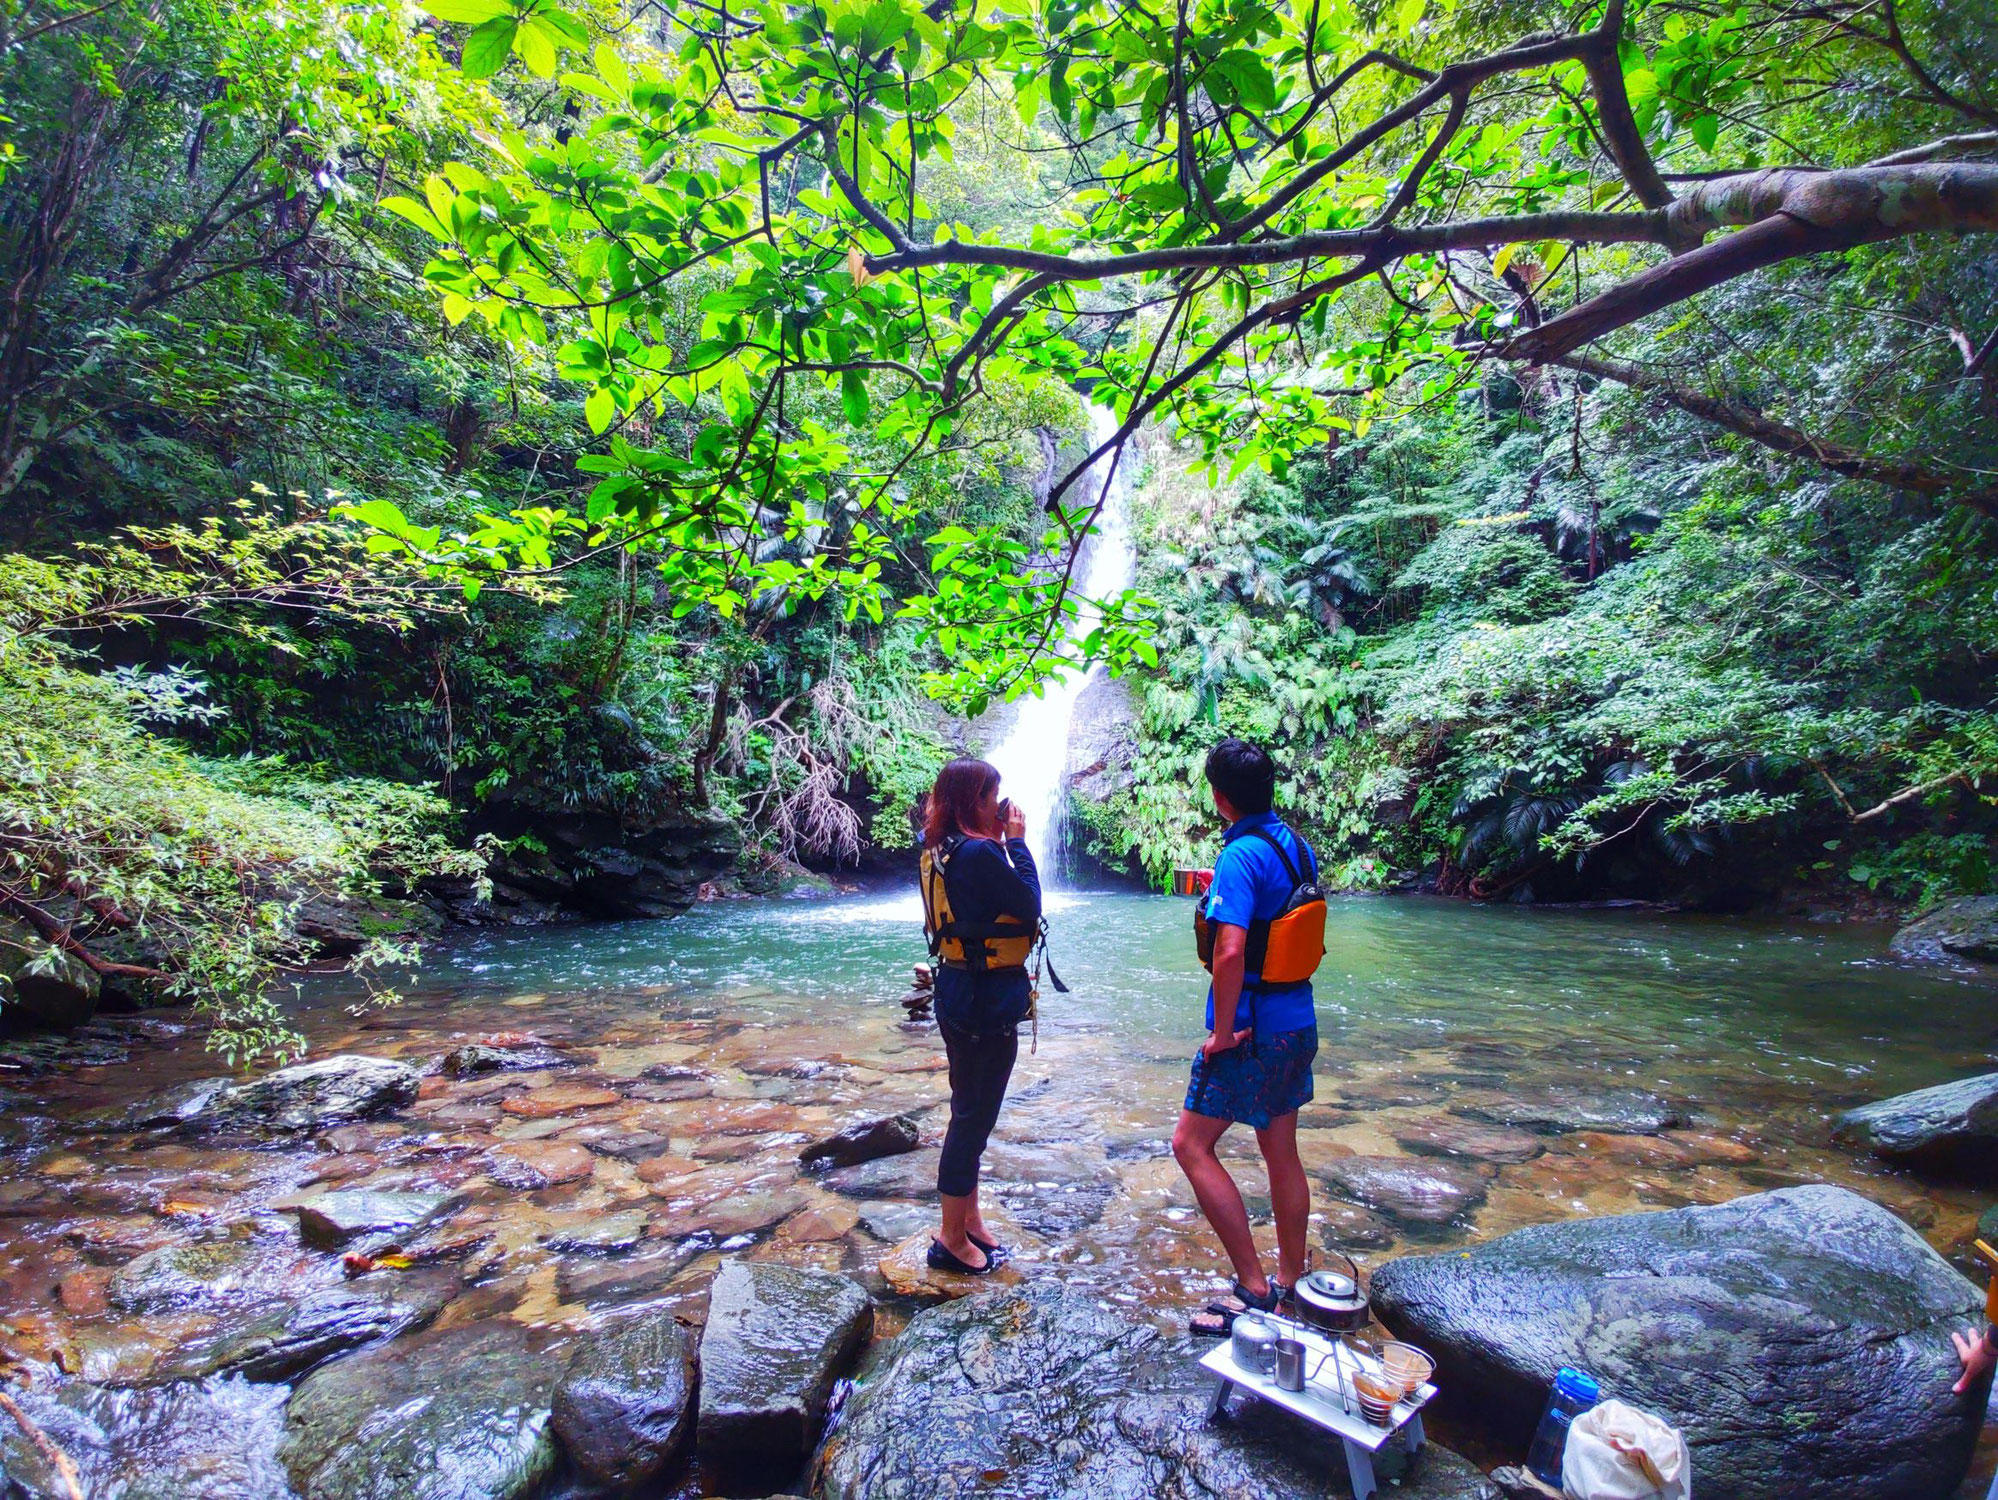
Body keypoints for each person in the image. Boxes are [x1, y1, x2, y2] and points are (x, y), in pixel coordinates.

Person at [1174, 737, 1320, 1334]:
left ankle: (1254, 1287)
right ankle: (1289, 1280)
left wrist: (1225, 1030)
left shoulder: (1239, 856)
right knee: (1280, 1149)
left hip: (1251, 1028)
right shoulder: (1295, 847)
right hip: (1296, 1021)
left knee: (1190, 1145)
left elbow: (1231, 950)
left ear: (1220, 796)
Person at [918, 758, 1040, 1275]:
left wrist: (995, 839)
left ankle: (968, 1219)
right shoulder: (983, 854)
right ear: (974, 801)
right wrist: (1016, 842)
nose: (999, 805)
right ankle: (950, 1239)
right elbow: (1030, 903)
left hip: (956, 991)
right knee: (973, 1117)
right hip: (986, 998)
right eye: (992, 797)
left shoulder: (938, 850)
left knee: (969, 1109)